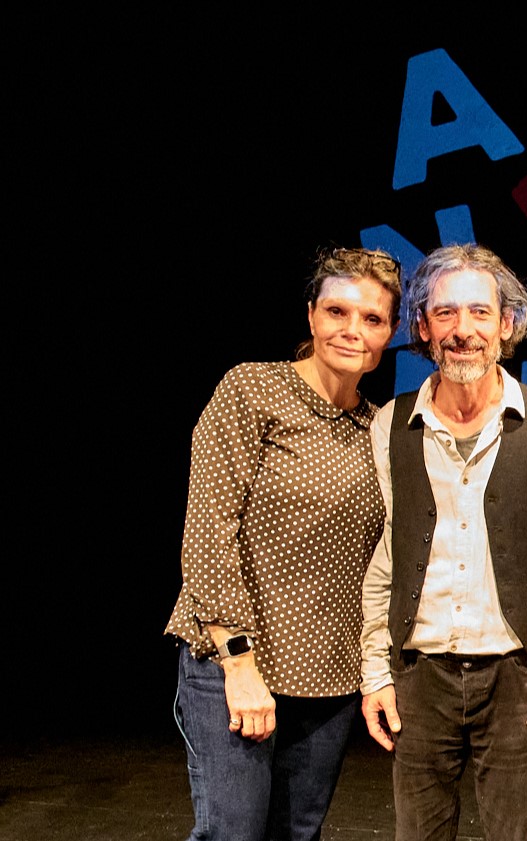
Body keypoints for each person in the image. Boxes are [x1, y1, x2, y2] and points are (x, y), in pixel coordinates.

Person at [359, 243, 527, 841]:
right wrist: (376, 672)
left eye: (479, 312)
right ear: (422, 327)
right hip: (420, 676)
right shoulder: (391, 424)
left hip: (518, 675)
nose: (462, 330)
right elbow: (384, 560)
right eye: (445, 313)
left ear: (507, 324)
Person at [165, 247, 403, 841]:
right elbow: (208, 533)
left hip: (330, 678)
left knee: (297, 835)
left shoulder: (379, 428)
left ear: (392, 332)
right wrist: (239, 665)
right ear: (311, 315)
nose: (352, 329)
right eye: (337, 311)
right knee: (233, 833)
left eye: (372, 318)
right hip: (235, 664)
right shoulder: (253, 390)